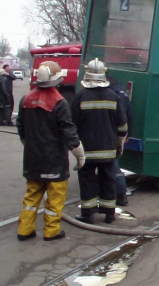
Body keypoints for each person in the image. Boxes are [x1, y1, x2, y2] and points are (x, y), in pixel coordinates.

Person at [16, 61, 85, 242]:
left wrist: (28, 143)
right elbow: (68, 131)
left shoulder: (26, 99)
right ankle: (51, 231)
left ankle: (25, 230)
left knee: (31, 196)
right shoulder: (60, 102)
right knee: (55, 197)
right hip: (54, 159)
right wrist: (79, 154)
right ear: (57, 79)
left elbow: (21, 127)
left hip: (32, 158)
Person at [71, 59, 128, 225]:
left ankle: (88, 214)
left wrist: (74, 147)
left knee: (87, 180)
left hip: (86, 150)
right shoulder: (113, 96)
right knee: (108, 179)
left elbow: (71, 125)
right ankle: (109, 213)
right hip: (108, 149)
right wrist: (120, 143)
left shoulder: (80, 97)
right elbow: (122, 124)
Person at [107, 75, 133, 206]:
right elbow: (128, 116)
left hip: (107, 135)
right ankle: (120, 194)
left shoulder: (109, 95)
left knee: (112, 166)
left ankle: (120, 194)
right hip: (117, 134)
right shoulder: (121, 93)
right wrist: (127, 134)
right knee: (113, 163)